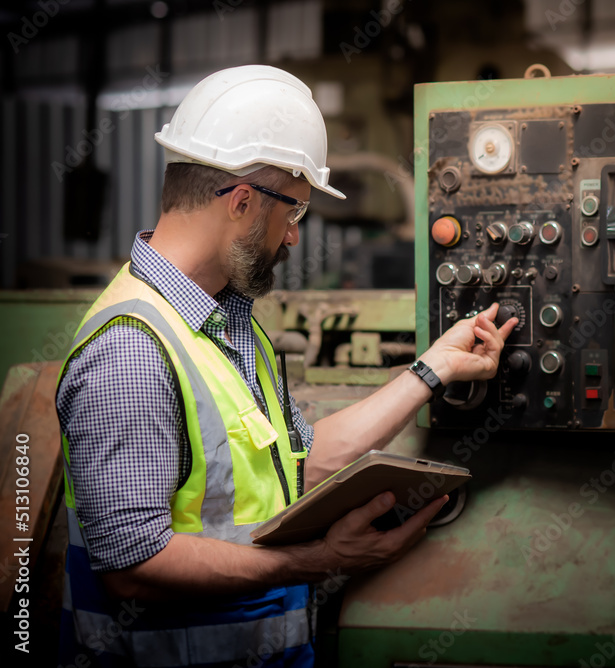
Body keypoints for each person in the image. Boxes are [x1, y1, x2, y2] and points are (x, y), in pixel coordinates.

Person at [55, 65, 516, 667]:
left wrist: (432, 370)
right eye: (294, 213)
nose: (293, 238)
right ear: (243, 202)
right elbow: (133, 567)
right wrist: (320, 561)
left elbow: (297, 464)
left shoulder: (226, 325)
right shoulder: (132, 352)